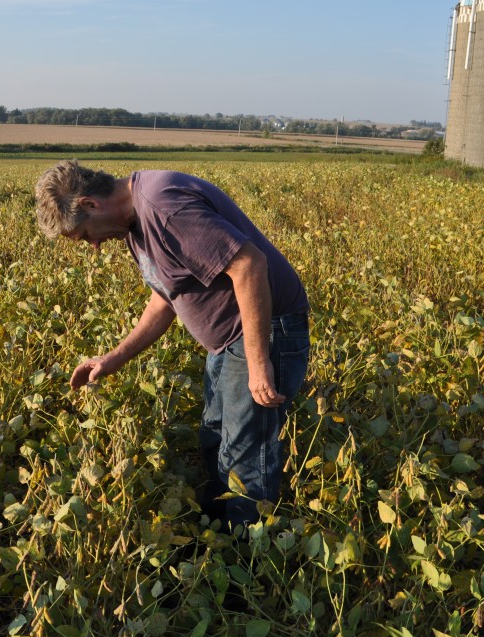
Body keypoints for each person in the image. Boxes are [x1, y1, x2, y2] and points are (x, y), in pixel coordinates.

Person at [34, 160, 309, 528]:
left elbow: (249, 266)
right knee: (216, 438)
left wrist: (259, 363)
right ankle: (219, 535)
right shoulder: (134, 224)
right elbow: (166, 298)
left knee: (246, 455)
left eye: (85, 236)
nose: (95, 246)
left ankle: (251, 559)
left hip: (262, 333)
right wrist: (115, 357)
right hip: (229, 341)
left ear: (90, 204)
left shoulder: (164, 207)